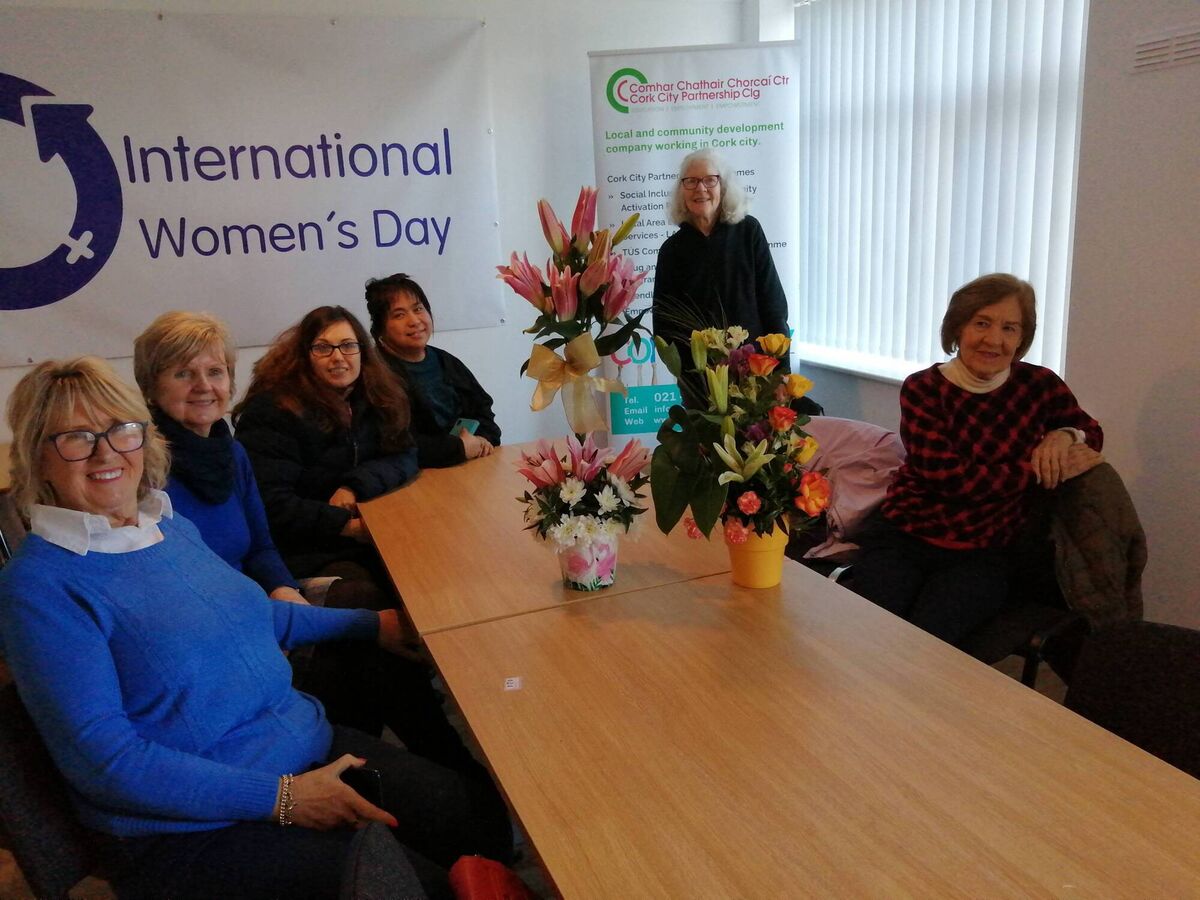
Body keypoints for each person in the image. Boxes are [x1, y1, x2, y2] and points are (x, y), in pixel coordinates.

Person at [0, 357, 513, 899]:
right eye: (75, 438)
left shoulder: (166, 525)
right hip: (194, 827)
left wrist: (370, 624)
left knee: (467, 814)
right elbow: (108, 763)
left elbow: (250, 612)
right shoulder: (40, 587)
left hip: (299, 747)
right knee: (408, 887)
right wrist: (283, 798)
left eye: (120, 430)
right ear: (38, 457)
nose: (106, 452)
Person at [231, 306, 479, 771]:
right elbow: (271, 506)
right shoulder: (274, 411)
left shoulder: (373, 395)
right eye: (323, 348)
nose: (338, 357)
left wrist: (354, 486)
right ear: (304, 355)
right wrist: (342, 523)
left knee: (436, 570)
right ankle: (428, 747)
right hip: (299, 553)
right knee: (371, 604)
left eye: (347, 346)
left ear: (363, 352)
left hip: (359, 537)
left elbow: (403, 454)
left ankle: (434, 718)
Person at [847, 273, 1105, 646]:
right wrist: (1036, 468)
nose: (994, 339)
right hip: (906, 537)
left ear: (1022, 338)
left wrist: (1065, 435)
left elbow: (1091, 433)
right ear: (958, 327)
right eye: (982, 323)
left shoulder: (1039, 385)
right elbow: (952, 480)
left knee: (926, 645)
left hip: (985, 552)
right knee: (870, 633)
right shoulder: (923, 389)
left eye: (1009, 328)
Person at [653, 149, 793, 406]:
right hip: (701, 382)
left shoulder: (749, 232)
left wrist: (781, 373)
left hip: (756, 373)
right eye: (691, 181)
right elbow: (664, 326)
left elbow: (773, 305)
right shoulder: (671, 251)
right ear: (682, 191)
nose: (700, 188)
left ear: (723, 186)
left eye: (710, 180)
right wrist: (691, 374)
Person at [365, 273, 501, 468]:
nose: (414, 321)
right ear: (380, 329)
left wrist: (481, 439)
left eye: (418, 309)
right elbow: (396, 443)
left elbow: (483, 411)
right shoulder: (375, 374)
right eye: (399, 315)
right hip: (417, 475)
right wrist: (459, 448)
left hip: (467, 467)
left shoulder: (446, 361)